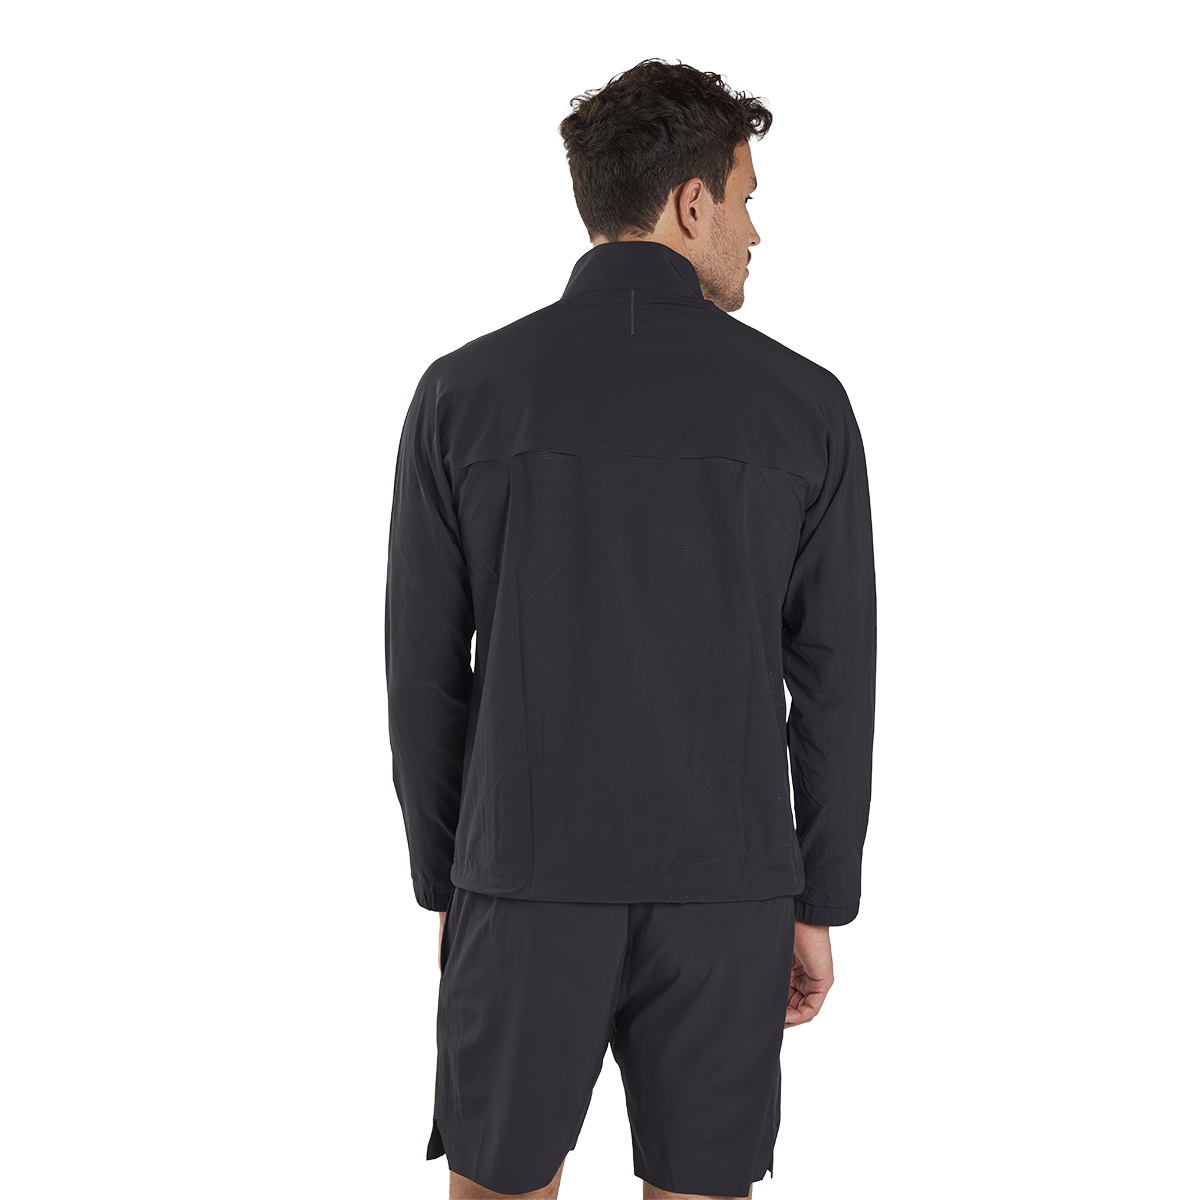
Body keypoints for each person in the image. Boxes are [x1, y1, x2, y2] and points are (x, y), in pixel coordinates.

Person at [385, 58, 876, 1200]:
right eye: (746, 198)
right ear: (691, 203)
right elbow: (837, 678)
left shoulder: (462, 394)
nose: (755, 231)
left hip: (523, 879)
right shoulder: (805, 406)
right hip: (728, 889)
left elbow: (421, 672)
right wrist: (818, 899)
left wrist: (455, 882)